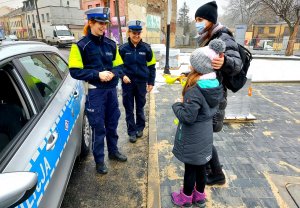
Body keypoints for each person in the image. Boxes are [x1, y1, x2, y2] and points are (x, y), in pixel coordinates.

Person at [68, 7, 127, 174]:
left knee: (112, 124)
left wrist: (113, 73)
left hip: (111, 92)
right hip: (95, 93)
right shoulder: (80, 46)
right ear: (91, 23)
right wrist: (97, 74)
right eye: (100, 23)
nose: (103, 27)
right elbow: (74, 71)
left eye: (105, 23)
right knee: (98, 127)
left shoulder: (111, 44)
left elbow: (120, 65)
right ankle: (99, 160)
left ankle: (114, 152)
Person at [171, 39, 225, 207]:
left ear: (199, 67)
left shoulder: (195, 91)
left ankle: (186, 198)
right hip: (206, 134)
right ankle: (200, 197)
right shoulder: (214, 84)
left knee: (190, 169)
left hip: (193, 136)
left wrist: (177, 105)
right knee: (202, 167)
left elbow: (188, 117)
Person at [194, 1, 243, 185]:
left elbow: (236, 64)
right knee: (204, 133)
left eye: (200, 19)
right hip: (207, 93)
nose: (197, 23)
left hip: (215, 96)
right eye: (196, 19)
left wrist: (225, 63)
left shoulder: (223, 38)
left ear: (211, 21)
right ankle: (208, 168)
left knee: (205, 134)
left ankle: (217, 173)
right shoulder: (207, 36)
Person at [119, 20, 156, 143]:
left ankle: (140, 127)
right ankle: (131, 131)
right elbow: (117, 66)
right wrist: (123, 75)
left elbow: (152, 66)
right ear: (129, 33)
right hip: (127, 84)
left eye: (139, 33)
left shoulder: (147, 48)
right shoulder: (123, 49)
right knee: (129, 108)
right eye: (134, 33)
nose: (137, 35)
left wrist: (151, 82)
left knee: (140, 107)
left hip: (141, 83)